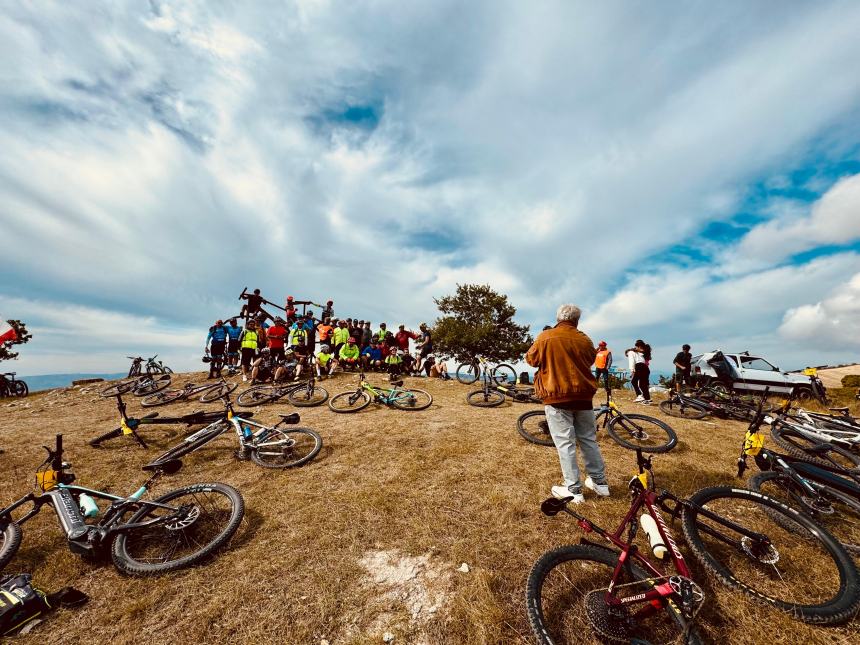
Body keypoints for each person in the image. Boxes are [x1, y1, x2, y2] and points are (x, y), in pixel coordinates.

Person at [526, 304, 609, 504]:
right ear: (577, 320)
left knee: (565, 443)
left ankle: (573, 490)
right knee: (589, 439)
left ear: (558, 318)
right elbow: (589, 360)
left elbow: (531, 359)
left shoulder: (546, 336)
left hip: (557, 396)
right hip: (583, 396)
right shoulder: (584, 339)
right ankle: (600, 484)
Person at [626, 340, 652, 404]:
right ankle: (647, 399)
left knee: (636, 382)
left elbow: (631, 362)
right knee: (643, 384)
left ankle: (640, 396)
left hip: (639, 367)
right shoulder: (639, 353)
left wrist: (632, 371)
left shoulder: (630, 352)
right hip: (645, 368)